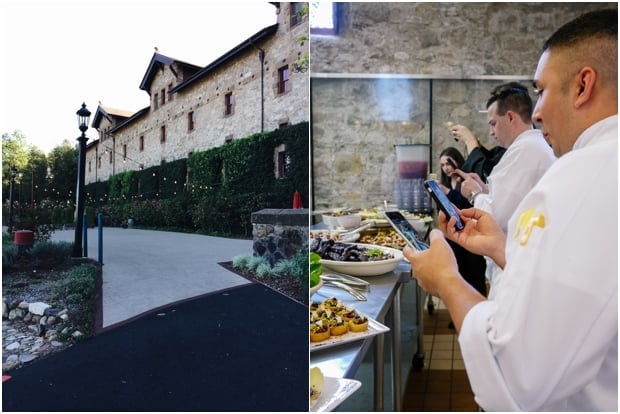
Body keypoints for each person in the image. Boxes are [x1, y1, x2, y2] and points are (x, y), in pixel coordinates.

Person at [404, 8, 617, 411]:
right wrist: (504, 248)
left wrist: (446, 280)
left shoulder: (585, 172)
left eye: (542, 90)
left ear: (583, 85)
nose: (537, 111)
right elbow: (586, 288)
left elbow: (515, 371)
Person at [452, 81, 556, 298]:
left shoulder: (526, 151)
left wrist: (474, 193)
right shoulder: (529, 148)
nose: (491, 133)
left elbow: (496, 219)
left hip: (516, 261)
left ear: (510, 117)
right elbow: (513, 202)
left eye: (493, 124)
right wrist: (483, 188)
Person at [437, 147, 487, 298]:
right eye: (442, 165)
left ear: (457, 161)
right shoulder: (446, 182)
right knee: (459, 276)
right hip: (454, 237)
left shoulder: (467, 181)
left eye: (448, 163)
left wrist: (448, 193)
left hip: (471, 233)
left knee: (474, 277)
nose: (445, 168)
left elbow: (469, 206)